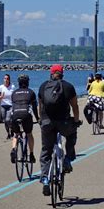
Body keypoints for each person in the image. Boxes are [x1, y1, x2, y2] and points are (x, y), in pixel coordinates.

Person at [38, 64, 82, 196]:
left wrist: (41, 120)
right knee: (71, 135)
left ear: (51, 74)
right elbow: (75, 106)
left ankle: (45, 179)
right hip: (64, 122)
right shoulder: (68, 87)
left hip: (47, 122)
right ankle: (68, 159)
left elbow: (40, 107)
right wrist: (76, 121)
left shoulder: (43, 86)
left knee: (46, 150)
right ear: (62, 73)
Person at [10, 74, 39, 164]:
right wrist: (37, 118)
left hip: (14, 115)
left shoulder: (14, 93)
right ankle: (31, 154)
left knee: (16, 134)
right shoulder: (31, 92)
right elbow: (34, 108)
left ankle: (14, 149)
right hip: (25, 114)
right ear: (27, 83)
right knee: (29, 133)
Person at [0, 74, 16, 139]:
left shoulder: (12, 86)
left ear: (9, 80)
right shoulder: (1, 87)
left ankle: (12, 129)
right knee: (5, 121)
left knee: (8, 119)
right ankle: (8, 133)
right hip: (3, 105)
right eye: (5, 78)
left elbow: (15, 96)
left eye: (7, 79)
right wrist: (1, 97)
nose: (6, 80)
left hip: (10, 105)